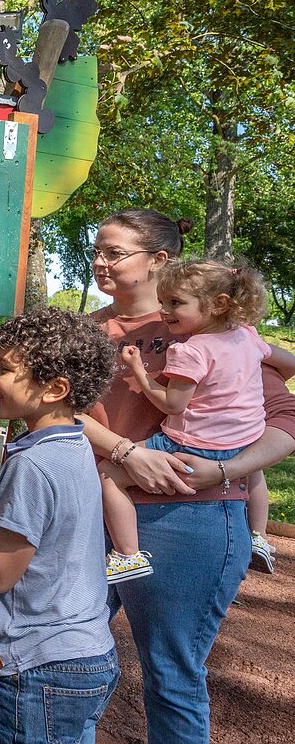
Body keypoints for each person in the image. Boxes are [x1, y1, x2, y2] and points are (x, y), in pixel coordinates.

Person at [80, 208, 295, 743]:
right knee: (69, 655)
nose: (100, 262)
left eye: (114, 253)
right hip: (86, 508)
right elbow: (50, 408)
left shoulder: (213, 330)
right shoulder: (81, 331)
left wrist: (222, 470)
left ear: (159, 260)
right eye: (96, 251)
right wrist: (126, 452)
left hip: (186, 518)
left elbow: (284, 421)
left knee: (170, 673)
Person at [0, 307, 119, 744]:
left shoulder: (32, 466)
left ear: (55, 389)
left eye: (5, 369)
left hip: (39, 666)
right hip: (86, 651)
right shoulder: (73, 444)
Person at [114, 259, 295, 579]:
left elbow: (173, 404)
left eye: (175, 303)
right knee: (254, 471)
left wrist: (140, 372)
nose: (164, 311)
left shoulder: (190, 351)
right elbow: (289, 363)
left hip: (194, 443)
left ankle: (127, 555)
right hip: (243, 437)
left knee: (108, 474)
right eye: (162, 302)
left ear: (218, 304)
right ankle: (259, 537)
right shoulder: (248, 336)